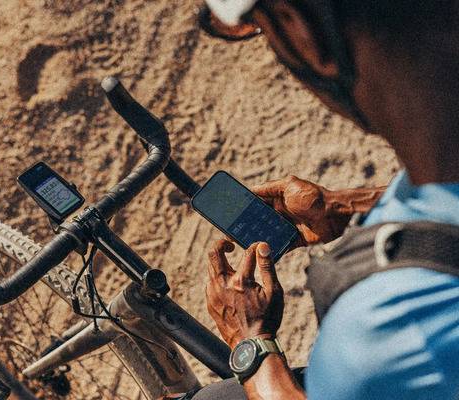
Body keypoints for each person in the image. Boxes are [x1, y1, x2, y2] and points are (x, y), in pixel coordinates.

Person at [185, 1, 459, 399]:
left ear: (298, 29)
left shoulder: (385, 335)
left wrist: (250, 340)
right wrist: (344, 206)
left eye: (264, 32)